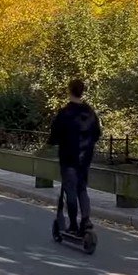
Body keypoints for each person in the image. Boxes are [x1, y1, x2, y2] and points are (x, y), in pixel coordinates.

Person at [48, 79, 102, 234]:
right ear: (82, 91)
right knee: (82, 188)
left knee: (70, 189)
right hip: (85, 157)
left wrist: (51, 143)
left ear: (69, 90)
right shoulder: (90, 112)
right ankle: (86, 219)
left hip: (68, 157)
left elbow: (54, 136)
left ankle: (73, 224)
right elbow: (97, 134)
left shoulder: (65, 113)